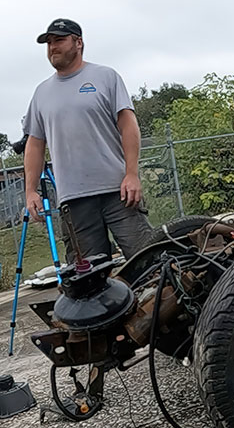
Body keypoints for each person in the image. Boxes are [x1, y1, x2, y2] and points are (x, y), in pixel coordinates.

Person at [22, 18, 152, 261]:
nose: (53, 47)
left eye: (59, 40)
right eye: (48, 43)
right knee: (89, 281)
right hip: (74, 200)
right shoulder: (41, 93)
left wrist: (132, 174)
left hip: (119, 192)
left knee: (147, 263)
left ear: (78, 42)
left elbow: (128, 125)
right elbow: (35, 144)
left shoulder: (105, 77)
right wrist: (30, 191)